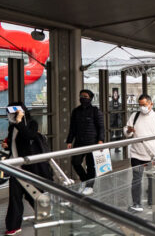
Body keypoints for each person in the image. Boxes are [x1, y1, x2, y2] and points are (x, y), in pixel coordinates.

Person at [3, 102, 53, 235]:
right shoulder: (12, 127)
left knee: (33, 194)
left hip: (30, 167)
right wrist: (7, 145)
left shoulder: (31, 123)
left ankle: (45, 213)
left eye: (14, 112)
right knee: (15, 196)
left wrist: (20, 122)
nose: (11, 115)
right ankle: (13, 226)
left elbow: (29, 135)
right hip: (15, 167)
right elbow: (16, 143)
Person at [124, 94, 155, 212]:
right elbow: (127, 131)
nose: (142, 107)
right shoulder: (135, 115)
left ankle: (152, 200)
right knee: (136, 179)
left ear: (151, 104)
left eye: (144, 105)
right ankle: (136, 203)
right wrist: (128, 130)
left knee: (152, 178)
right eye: (140, 105)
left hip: (152, 155)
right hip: (136, 154)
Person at [65, 89, 104, 195]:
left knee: (91, 165)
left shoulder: (96, 111)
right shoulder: (76, 111)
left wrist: (101, 140)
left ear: (90, 98)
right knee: (75, 162)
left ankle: (89, 186)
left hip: (93, 141)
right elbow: (72, 128)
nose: (82, 98)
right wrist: (69, 141)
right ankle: (85, 180)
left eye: (85, 96)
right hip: (79, 141)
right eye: (81, 96)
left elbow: (101, 127)